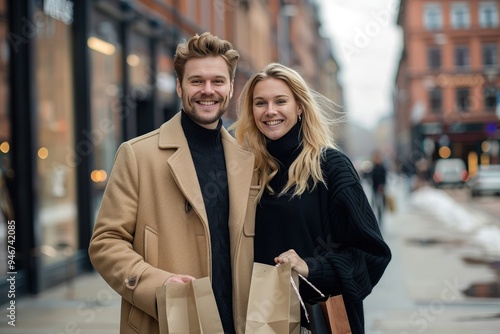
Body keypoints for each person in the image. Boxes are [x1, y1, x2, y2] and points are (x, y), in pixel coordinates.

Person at [89, 32, 259, 334]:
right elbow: (105, 243)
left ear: (232, 88)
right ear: (180, 86)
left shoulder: (248, 159)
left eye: (218, 81)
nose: (208, 90)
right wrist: (158, 284)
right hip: (165, 322)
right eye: (197, 81)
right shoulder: (137, 154)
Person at [231, 63, 391, 333]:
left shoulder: (330, 167)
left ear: (299, 107)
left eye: (280, 101)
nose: (270, 111)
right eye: (260, 103)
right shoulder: (246, 170)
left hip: (317, 320)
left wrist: (311, 267)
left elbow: (372, 256)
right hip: (259, 320)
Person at [369, 150, 387, 225]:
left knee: (380, 204)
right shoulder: (374, 167)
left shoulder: (381, 167)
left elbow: (384, 177)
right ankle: (376, 218)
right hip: (374, 188)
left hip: (380, 188)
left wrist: (382, 185)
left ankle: (380, 219)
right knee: (375, 203)